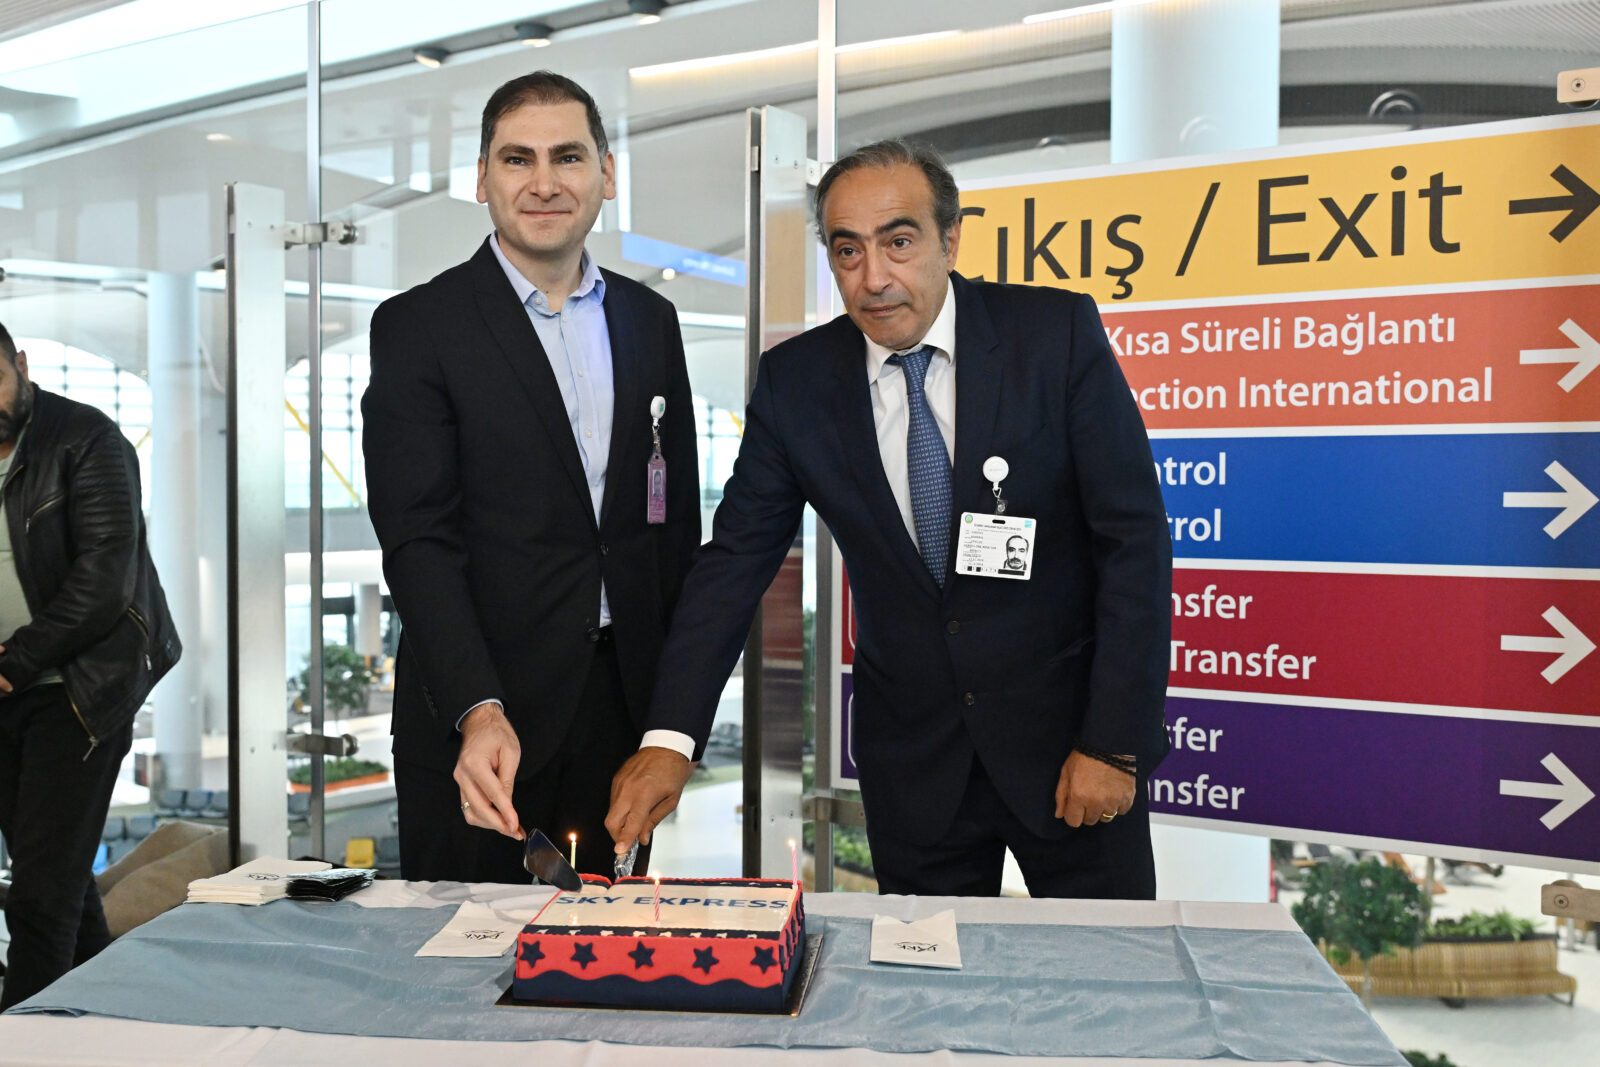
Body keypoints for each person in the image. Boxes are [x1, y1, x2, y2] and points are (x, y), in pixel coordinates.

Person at [608, 140, 1171, 898]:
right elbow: (734, 562)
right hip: (916, 769)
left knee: (1112, 996)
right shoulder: (797, 383)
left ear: (950, 238)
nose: (873, 278)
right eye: (848, 250)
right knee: (927, 1000)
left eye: (898, 242)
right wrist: (671, 737)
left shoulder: (1053, 336)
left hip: (1072, 754)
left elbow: (1132, 543)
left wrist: (1115, 743)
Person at [361, 71, 699, 883]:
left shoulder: (650, 321)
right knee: (465, 967)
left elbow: (671, 528)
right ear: (482, 179)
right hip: (482, 727)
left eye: (568, 157)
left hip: (619, 718)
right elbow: (418, 542)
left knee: (609, 966)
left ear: (606, 176)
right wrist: (479, 707)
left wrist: (667, 725)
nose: (544, 182)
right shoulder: (419, 327)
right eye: (517, 159)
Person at [0, 322, 181, 1009]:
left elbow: (104, 580)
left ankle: (21, 1042)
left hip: (78, 691)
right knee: (67, 888)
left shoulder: (87, 438)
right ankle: (112, 1021)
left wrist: (16, 661)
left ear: (21, 363)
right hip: (6, 693)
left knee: (41, 899)